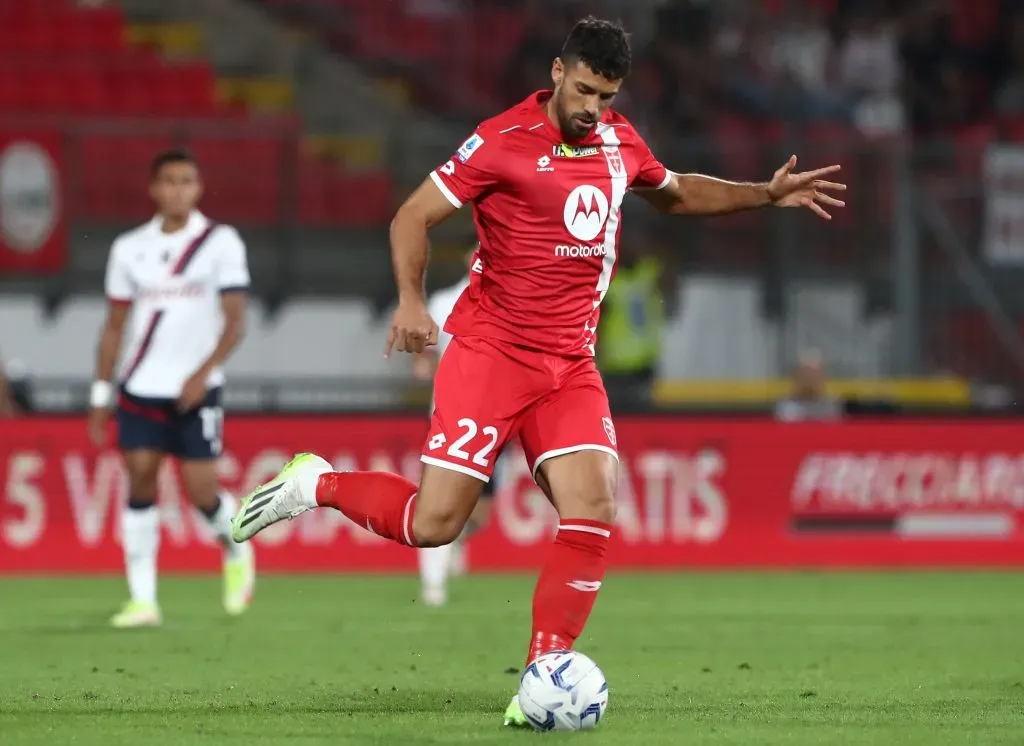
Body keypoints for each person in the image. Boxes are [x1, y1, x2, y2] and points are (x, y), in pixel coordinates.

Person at [231, 16, 845, 726]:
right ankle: (316, 481)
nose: (593, 108)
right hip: (491, 354)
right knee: (434, 525)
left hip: (570, 364)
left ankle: (541, 676)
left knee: (594, 507)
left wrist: (762, 194)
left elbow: (675, 192)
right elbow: (411, 216)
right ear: (558, 72)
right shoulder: (501, 141)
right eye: (584, 90)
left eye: (607, 96)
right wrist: (408, 299)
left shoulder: (619, 142)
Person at [89, 147, 256, 628]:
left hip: (197, 390)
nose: (178, 189)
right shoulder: (128, 248)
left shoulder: (221, 243)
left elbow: (235, 322)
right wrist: (101, 393)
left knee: (201, 491)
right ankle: (143, 599)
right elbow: (115, 326)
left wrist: (203, 373)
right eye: (169, 181)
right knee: (140, 476)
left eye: (187, 181)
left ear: (198, 188)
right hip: (141, 386)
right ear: (154, 188)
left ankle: (234, 546)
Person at [413, 245, 497, 607]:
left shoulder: (509, 300)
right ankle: (433, 585)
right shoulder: (445, 302)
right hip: (451, 416)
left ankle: (456, 540)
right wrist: (423, 364)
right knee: (439, 500)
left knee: (480, 513)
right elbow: (425, 353)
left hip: (495, 420)